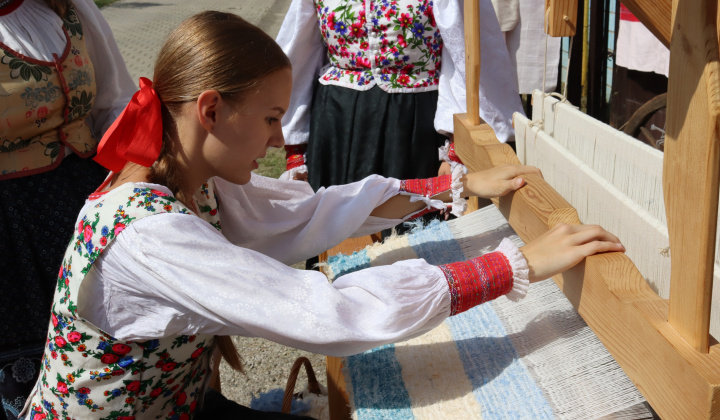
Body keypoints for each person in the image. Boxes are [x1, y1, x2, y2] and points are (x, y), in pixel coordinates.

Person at [21, 11, 624, 420]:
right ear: (210, 110)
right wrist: (514, 265)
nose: (280, 136)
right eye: (268, 117)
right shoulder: (153, 236)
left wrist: (454, 184)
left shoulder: (186, 183)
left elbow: (309, 211)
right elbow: (326, 312)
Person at [0, 1, 135, 419]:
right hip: (10, 233)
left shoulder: (69, 7)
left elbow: (115, 105)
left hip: (87, 208)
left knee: (108, 359)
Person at [276, 0, 524, 193]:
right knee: (338, 232)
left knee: (410, 232)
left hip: (414, 124)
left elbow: (468, 55)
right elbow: (298, 53)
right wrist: (296, 147)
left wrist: (457, 146)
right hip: (337, 123)